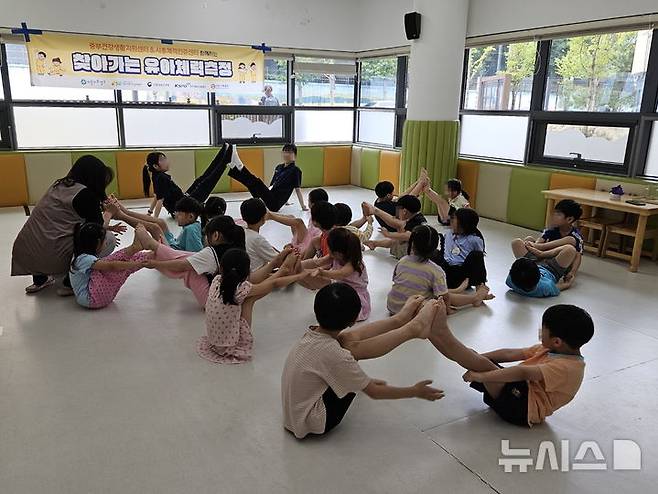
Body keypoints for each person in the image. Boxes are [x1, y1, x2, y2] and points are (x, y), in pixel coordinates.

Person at [281, 285, 444, 439]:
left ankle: (402, 322)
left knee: (345, 341)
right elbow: (374, 392)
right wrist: (414, 391)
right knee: (348, 351)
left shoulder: (312, 333)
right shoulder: (337, 355)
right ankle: (412, 329)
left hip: (295, 415)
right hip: (315, 423)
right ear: (353, 321)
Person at [428, 303, 593, 427]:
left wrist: (481, 375)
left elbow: (523, 372)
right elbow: (510, 354)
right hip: (521, 392)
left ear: (557, 341)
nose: (539, 332)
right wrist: (474, 356)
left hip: (523, 409)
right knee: (477, 359)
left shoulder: (568, 368)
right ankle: (432, 333)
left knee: (482, 365)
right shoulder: (552, 349)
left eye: (542, 330)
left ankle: (441, 332)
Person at [12, 155, 120, 295]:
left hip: (27, 254)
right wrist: (109, 213)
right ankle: (70, 282)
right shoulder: (86, 195)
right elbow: (97, 228)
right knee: (107, 239)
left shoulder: (58, 185)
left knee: (43, 233)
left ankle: (40, 279)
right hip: (51, 257)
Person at [198, 248, 309, 364]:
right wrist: (297, 274)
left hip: (214, 342)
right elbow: (272, 284)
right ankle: (282, 270)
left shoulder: (217, 280)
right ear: (248, 272)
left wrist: (275, 263)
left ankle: (280, 268)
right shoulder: (241, 289)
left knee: (252, 292)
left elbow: (255, 282)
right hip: (229, 348)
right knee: (250, 299)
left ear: (221, 268)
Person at [387, 225, 492, 315]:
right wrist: (447, 310)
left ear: (412, 244)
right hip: (414, 312)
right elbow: (445, 298)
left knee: (433, 291)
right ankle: (475, 298)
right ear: (434, 249)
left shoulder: (402, 261)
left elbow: (397, 281)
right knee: (442, 297)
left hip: (392, 306)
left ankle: (468, 294)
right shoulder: (435, 270)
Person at [69, 223, 152, 309]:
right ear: (97, 242)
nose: (106, 244)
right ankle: (136, 250)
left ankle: (147, 255)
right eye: (105, 241)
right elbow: (111, 266)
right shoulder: (84, 259)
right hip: (91, 298)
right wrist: (136, 264)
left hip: (95, 297)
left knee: (119, 264)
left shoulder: (81, 255)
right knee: (114, 264)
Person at [143, 144, 233, 218]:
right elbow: (160, 200)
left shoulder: (156, 177)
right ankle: (227, 156)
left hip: (184, 201)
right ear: (155, 166)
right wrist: (155, 219)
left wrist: (149, 212)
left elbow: (157, 196)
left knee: (202, 179)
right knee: (209, 180)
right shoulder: (161, 178)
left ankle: (224, 150)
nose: (167, 161)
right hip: (185, 208)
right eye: (162, 160)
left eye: (165, 158)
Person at [306, 228, 371, 321]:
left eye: (329, 248)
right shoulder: (336, 256)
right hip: (341, 288)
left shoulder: (353, 264)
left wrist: (322, 272)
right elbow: (318, 262)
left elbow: (339, 274)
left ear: (338, 253)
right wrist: (302, 264)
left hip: (354, 295)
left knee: (338, 312)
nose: (327, 249)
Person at [227, 144, 307, 212]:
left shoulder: (295, 170)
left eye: (290, 152)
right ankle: (233, 167)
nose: (286, 154)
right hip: (268, 197)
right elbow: (273, 184)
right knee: (251, 185)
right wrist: (286, 201)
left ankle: (238, 166)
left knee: (257, 182)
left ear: (295, 155)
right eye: (285, 152)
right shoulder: (279, 167)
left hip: (274, 205)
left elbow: (297, 189)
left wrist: (303, 206)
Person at [518, 199, 584, 279]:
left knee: (571, 240)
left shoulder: (575, 236)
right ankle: (531, 263)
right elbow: (541, 239)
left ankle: (539, 255)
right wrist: (535, 245)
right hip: (546, 258)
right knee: (528, 239)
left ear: (569, 219)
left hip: (561, 262)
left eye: (558, 214)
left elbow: (578, 257)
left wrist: (572, 272)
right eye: (555, 213)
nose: (554, 216)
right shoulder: (552, 228)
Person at [431, 208, 487, 289]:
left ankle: (480, 288)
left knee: (477, 255)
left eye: (454, 219)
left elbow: (478, 263)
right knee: (433, 252)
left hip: (462, 274)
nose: (451, 221)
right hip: (445, 270)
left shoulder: (474, 239)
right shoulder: (448, 234)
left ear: (464, 223)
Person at [363, 195, 427, 259]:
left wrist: (388, 234)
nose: (397, 214)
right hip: (421, 249)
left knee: (396, 240)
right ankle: (374, 243)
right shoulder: (418, 217)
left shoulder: (415, 222)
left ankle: (374, 243)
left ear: (404, 211)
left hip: (415, 254)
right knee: (397, 236)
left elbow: (408, 236)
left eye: (398, 210)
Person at [267, 188, 328, 255]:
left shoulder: (321, 214)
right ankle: (269, 214)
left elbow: (317, 235)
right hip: (308, 236)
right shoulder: (315, 211)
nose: (308, 202)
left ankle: (271, 216)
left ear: (312, 204)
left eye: (308, 201)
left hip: (310, 242)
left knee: (299, 222)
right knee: (291, 218)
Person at [506, 243, 579, 297]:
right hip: (552, 270)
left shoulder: (510, 281)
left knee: (516, 243)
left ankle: (541, 252)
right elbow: (558, 287)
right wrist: (568, 283)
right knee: (571, 249)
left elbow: (515, 270)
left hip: (535, 261)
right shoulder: (545, 287)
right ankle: (541, 253)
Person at [240, 198, 279, 271]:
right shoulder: (257, 239)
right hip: (259, 275)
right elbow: (279, 260)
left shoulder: (242, 232)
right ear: (263, 217)